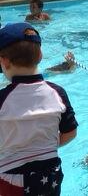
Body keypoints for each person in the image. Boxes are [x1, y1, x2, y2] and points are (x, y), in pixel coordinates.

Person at [0, 23, 78, 195]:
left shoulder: (2, 99)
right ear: (40, 55)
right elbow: (70, 133)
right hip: (50, 176)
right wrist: (43, 145)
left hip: (12, 178)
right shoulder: (57, 93)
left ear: (4, 62)